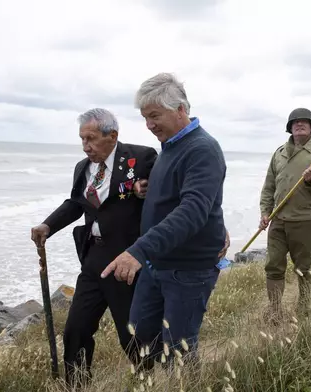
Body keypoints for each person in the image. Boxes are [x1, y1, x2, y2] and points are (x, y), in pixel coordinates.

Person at [101, 73, 227, 372]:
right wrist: (145, 192)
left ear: (180, 109)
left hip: (188, 268)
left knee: (179, 348)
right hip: (157, 263)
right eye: (145, 117)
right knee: (140, 330)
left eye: (155, 115)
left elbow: (194, 209)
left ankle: (183, 383)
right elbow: (181, 198)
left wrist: (138, 250)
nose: (149, 125)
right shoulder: (169, 147)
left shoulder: (202, 148)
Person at [30, 108, 158, 388]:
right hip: (93, 257)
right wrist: (47, 226)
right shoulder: (83, 168)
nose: (86, 146)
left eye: (91, 138)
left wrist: (144, 189)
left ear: (112, 136)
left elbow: (160, 192)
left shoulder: (142, 157)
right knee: (76, 330)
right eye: (82, 139)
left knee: (132, 335)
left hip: (126, 259)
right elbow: (76, 204)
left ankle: (154, 380)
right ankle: (77, 385)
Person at [259, 108, 311, 323]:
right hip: (278, 219)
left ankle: (304, 312)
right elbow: (269, 187)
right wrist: (265, 212)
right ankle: (275, 312)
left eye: (305, 122)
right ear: (290, 127)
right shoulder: (279, 153)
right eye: (295, 122)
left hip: (305, 220)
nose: (299, 124)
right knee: (273, 267)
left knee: (303, 269)